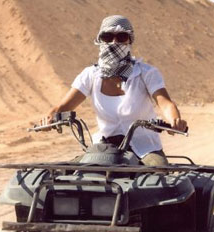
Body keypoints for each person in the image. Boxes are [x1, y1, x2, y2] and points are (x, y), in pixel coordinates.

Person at [45, 15, 187, 165]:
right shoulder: (90, 75)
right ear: (100, 40)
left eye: (121, 36)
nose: (114, 42)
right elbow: (63, 107)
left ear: (129, 40)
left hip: (144, 147)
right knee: (66, 175)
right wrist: (49, 118)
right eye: (107, 37)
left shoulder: (146, 73)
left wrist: (174, 121)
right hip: (104, 148)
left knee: (160, 176)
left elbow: (165, 103)